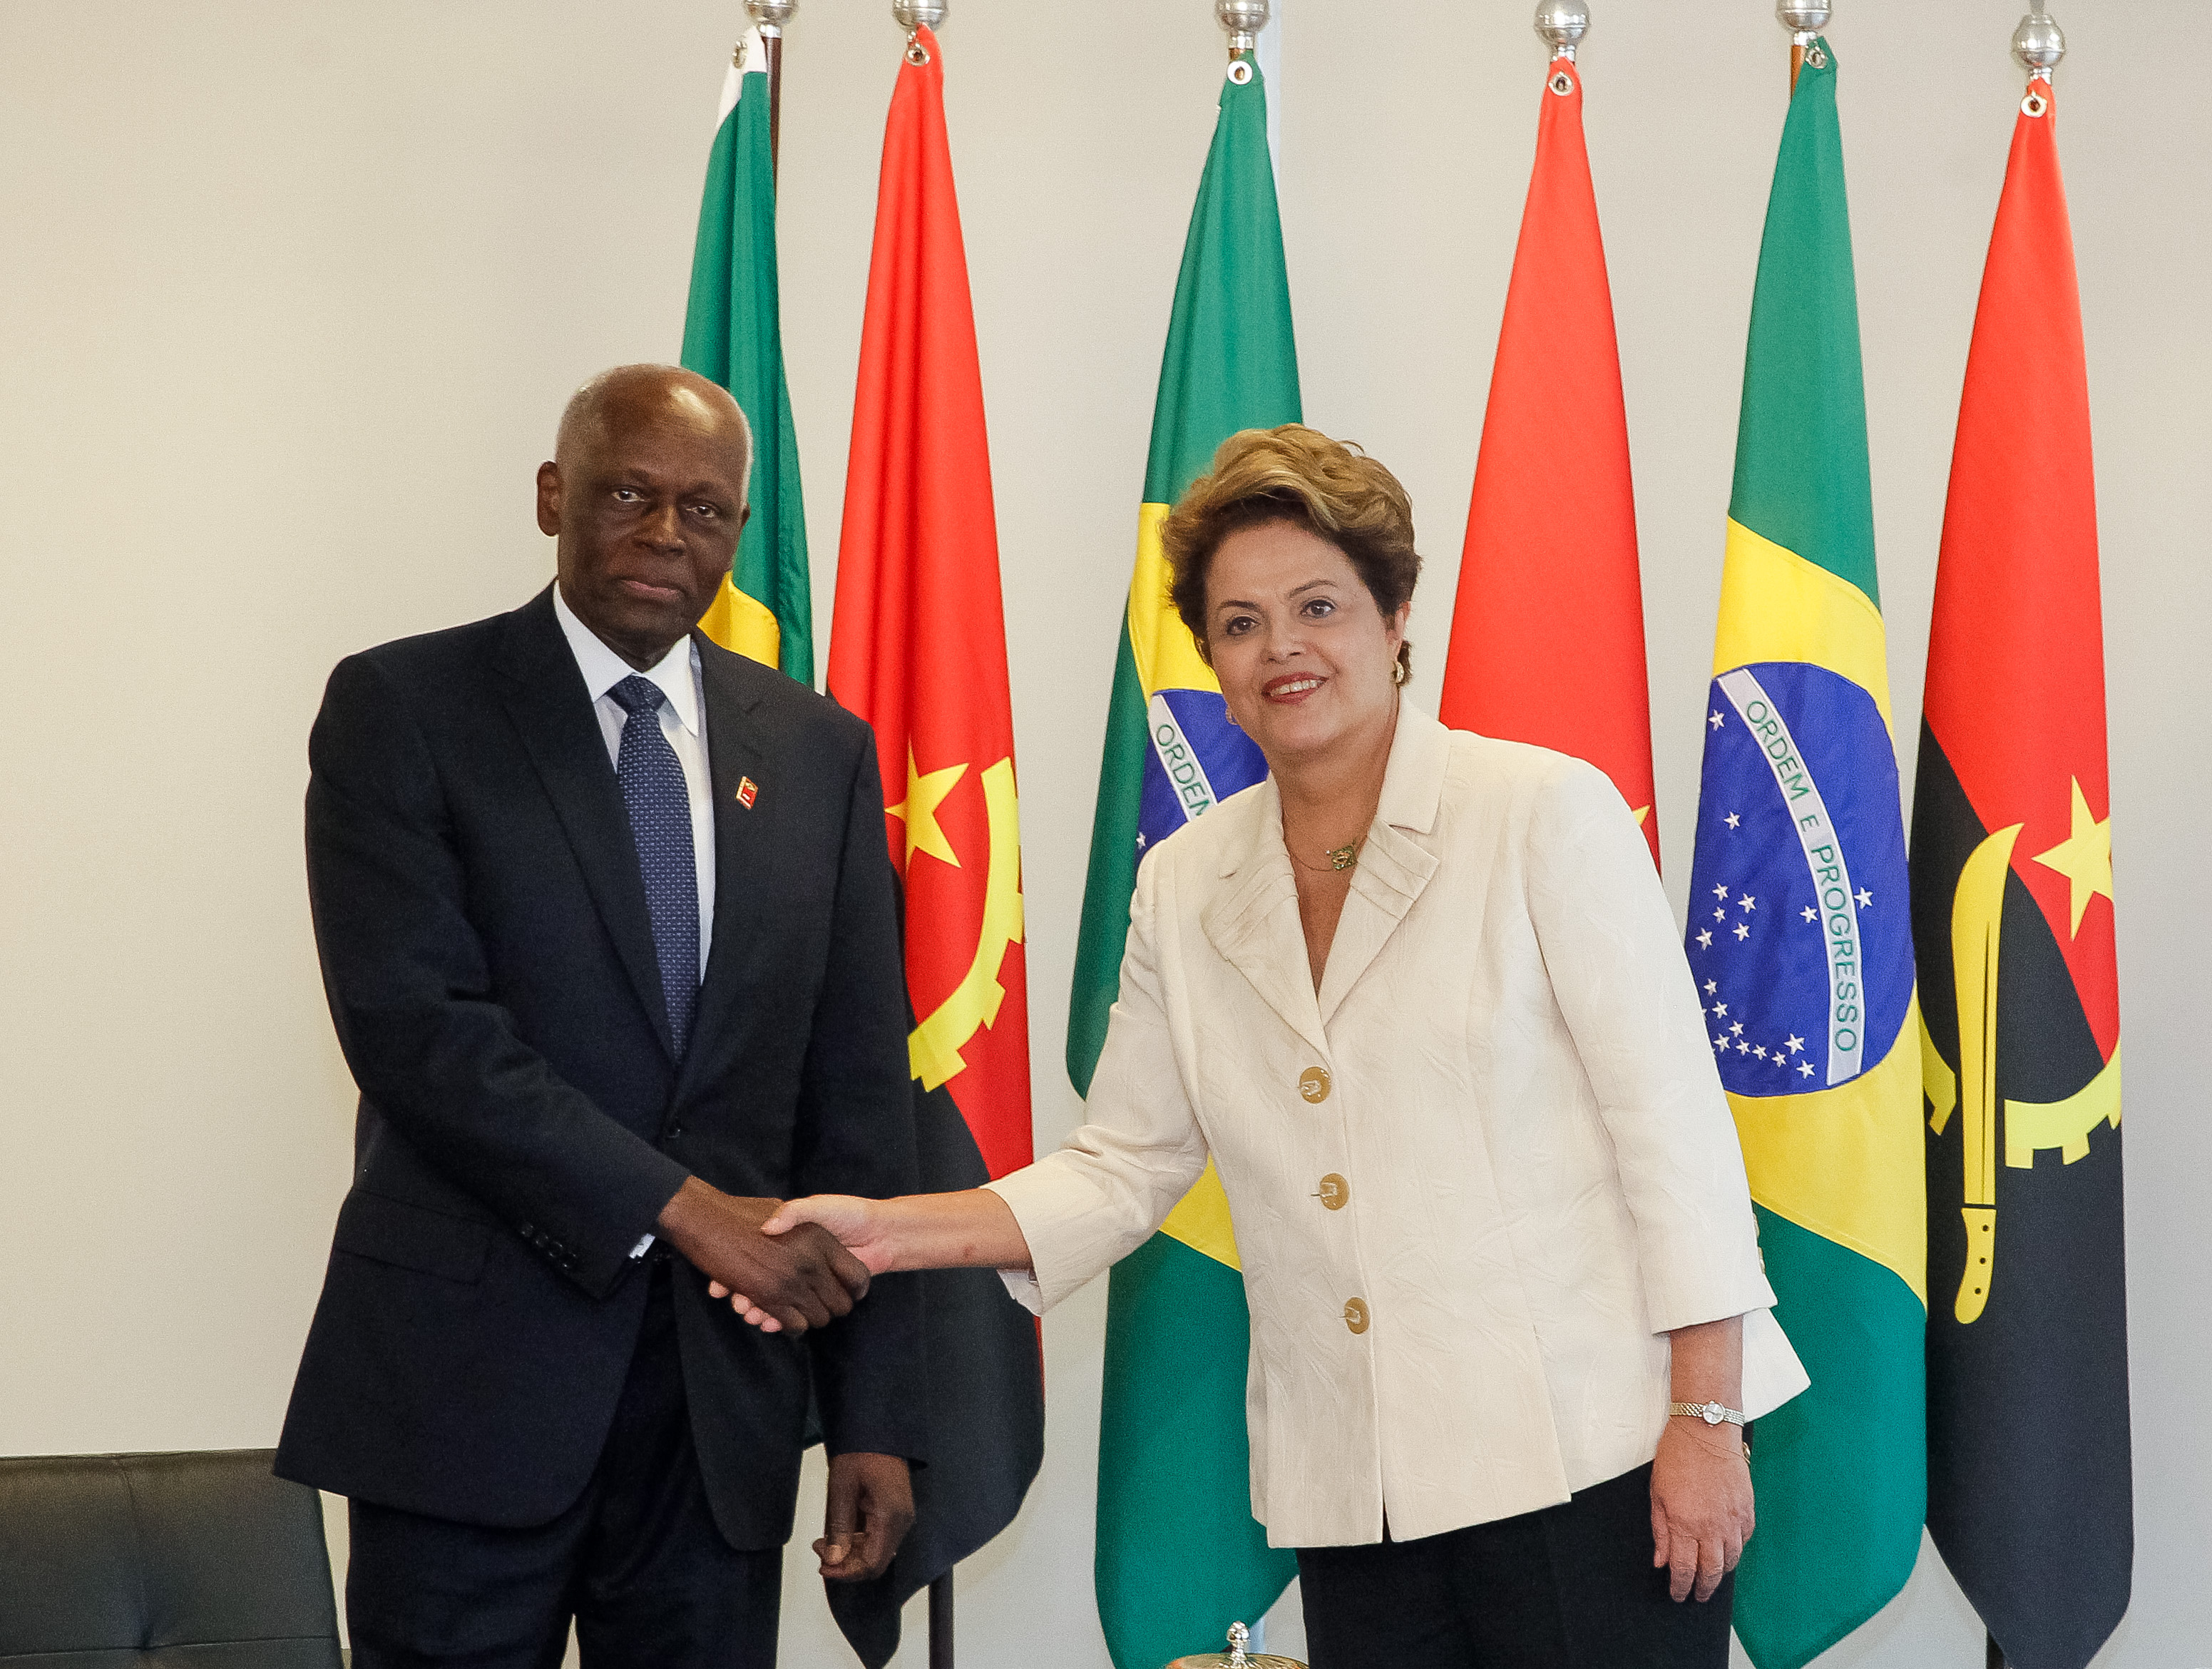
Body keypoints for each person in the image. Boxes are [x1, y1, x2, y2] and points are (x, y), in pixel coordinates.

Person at [720, 424, 1809, 1668]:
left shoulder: (1540, 812)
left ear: (1395, 618)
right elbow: (1123, 1165)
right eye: (1239, 624)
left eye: (1317, 606)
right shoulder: (1184, 882)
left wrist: (1706, 1417)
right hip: (1353, 1490)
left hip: (1592, 1463)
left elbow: (1672, 1133)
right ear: (1211, 661)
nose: (1281, 647)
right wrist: (884, 1231)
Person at [275, 364, 924, 1669]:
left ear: (737, 531)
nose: (665, 534)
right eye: (628, 495)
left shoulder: (820, 753)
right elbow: (420, 1034)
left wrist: (875, 1416)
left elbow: (856, 1091)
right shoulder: (406, 708)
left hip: (719, 1415)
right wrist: (685, 1211)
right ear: (551, 496)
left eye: (704, 509)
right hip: (466, 1392)